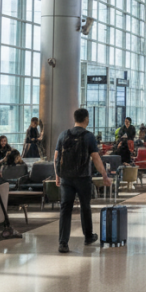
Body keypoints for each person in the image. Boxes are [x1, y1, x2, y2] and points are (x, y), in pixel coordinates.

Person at [54, 108, 111, 253]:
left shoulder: (63, 135)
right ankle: (88, 236)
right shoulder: (88, 136)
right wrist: (104, 175)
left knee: (65, 209)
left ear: (74, 119)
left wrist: (57, 175)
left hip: (66, 178)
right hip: (83, 177)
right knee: (85, 206)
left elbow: (56, 157)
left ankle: (63, 243)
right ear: (86, 119)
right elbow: (96, 158)